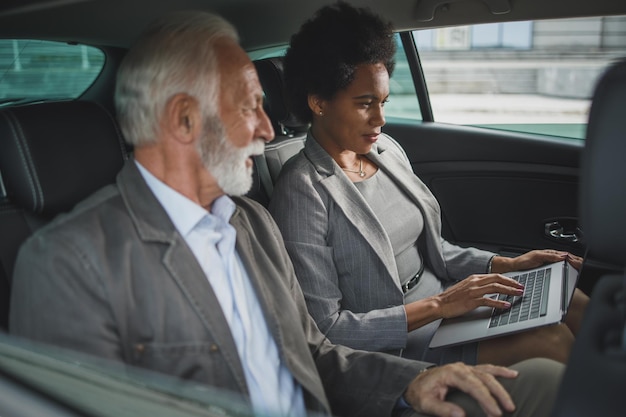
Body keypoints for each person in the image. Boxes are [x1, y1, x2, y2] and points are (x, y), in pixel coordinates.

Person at [10, 9, 563, 417]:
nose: (269, 129)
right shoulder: (69, 263)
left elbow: (316, 353)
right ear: (183, 120)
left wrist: (412, 382)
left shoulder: (250, 225)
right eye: (250, 106)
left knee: (542, 384)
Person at [268, 2, 588, 367]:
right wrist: (441, 306)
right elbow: (327, 328)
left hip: (448, 302)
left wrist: (507, 264)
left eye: (384, 101)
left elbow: (436, 252)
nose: (380, 119)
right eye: (365, 104)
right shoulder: (302, 191)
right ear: (318, 102)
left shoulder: (385, 151)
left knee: (572, 297)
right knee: (552, 339)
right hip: (402, 338)